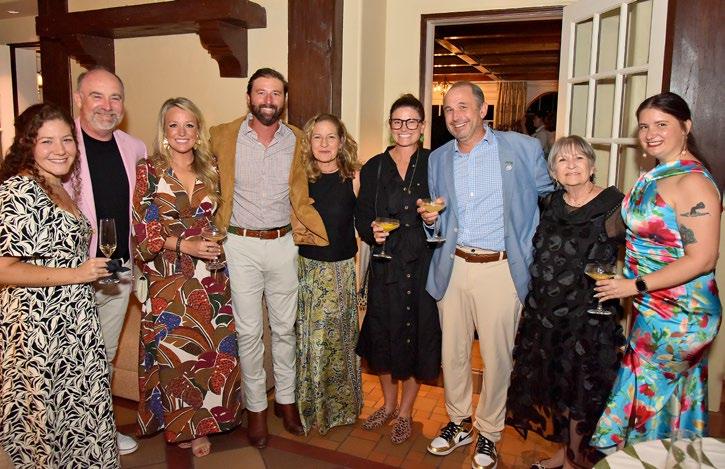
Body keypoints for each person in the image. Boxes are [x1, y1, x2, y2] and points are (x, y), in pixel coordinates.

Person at [418, 81, 553, 469]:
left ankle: (490, 433)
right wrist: (431, 220)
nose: (455, 115)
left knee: (497, 358)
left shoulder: (522, 148)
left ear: (482, 111)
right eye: (448, 109)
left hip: (501, 269)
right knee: (453, 354)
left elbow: (552, 196)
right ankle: (459, 422)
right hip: (453, 266)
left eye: (463, 107)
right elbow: (438, 216)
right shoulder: (438, 158)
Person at [591, 92, 721, 450]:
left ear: (686, 126)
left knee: (643, 403)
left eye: (662, 124)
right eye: (644, 126)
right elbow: (634, 229)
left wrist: (634, 285)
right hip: (653, 307)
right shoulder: (657, 174)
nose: (650, 134)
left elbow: (703, 259)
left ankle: (642, 457)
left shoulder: (693, 182)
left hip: (681, 315)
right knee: (669, 403)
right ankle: (670, 456)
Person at [0, 103, 119, 468]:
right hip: (38, 330)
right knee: (45, 427)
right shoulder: (19, 190)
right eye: (46, 141)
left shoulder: (58, 186)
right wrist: (77, 275)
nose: (60, 149)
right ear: (27, 144)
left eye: (67, 139)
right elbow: (4, 269)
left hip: (73, 323)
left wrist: (88, 274)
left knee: (78, 416)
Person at [505, 136, 626, 469]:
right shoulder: (550, 203)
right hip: (546, 314)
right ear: (553, 171)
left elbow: (643, 249)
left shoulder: (613, 205)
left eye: (579, 158)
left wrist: (631, 285)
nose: (571, 165)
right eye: (562, 160)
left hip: (587, 317)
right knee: (556, 387)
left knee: (580, 393)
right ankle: (564, 452)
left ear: (592, 165)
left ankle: (574, 460)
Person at [133, 98, 242, 457]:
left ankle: (203, 426)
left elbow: (221, 220)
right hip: (167, 276)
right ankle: (180, 423)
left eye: (189, 125)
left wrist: (218, 246)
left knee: (212, 350)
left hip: (210, 275)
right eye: (174, 125)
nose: (182, 132)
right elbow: (143, 231)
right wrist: (185, 244)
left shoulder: (211, 168)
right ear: (164, 131)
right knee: (175, 353)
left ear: (198, 131)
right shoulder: (148, 170)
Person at [210, 67, 310, 448]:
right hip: (240, 245)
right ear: (249, 97)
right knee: (249, 332)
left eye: (276, 94)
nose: (268, 100)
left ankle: (286, 401)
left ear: (284, 99)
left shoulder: (297, 139)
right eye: (261, 93)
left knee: (285, 329)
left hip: (284, 243)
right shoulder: (222, 136)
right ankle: (255, 410)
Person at [67, 66, 147, 455]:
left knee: (104, 353)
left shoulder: (134, 147)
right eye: (97, 96)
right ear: (78, 100)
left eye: (115, 97)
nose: (107, 105)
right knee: (68, 356)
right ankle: (65, 435)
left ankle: (100, 430)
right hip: (70, 272)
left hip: (117, 268)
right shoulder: (61, 144)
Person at [356, 94, 441, 444]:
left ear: (422, 126)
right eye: (397, 121)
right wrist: (371, 232)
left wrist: (434, 218)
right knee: (383, 334)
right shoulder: (374, 167)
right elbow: (363, 215)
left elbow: (447, 211)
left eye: (411, 121)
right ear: (390, 126)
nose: (404, 128)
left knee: (416, 335)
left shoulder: (435, 163)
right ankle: (388, 405)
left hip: (421, 265)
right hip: (386, 263)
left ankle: (405, 411)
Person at [289, 113, 363, 435]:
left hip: (342, 271)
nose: (324, 143)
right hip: (308, 271)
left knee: (342, 340)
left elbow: (366, 222)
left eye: (331, 137)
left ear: (341, 141)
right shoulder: (299, 178)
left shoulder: (355, 177)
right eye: (317, 137)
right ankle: (312, 407)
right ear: (308, 142)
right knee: (313, 342)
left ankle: (343, 408)